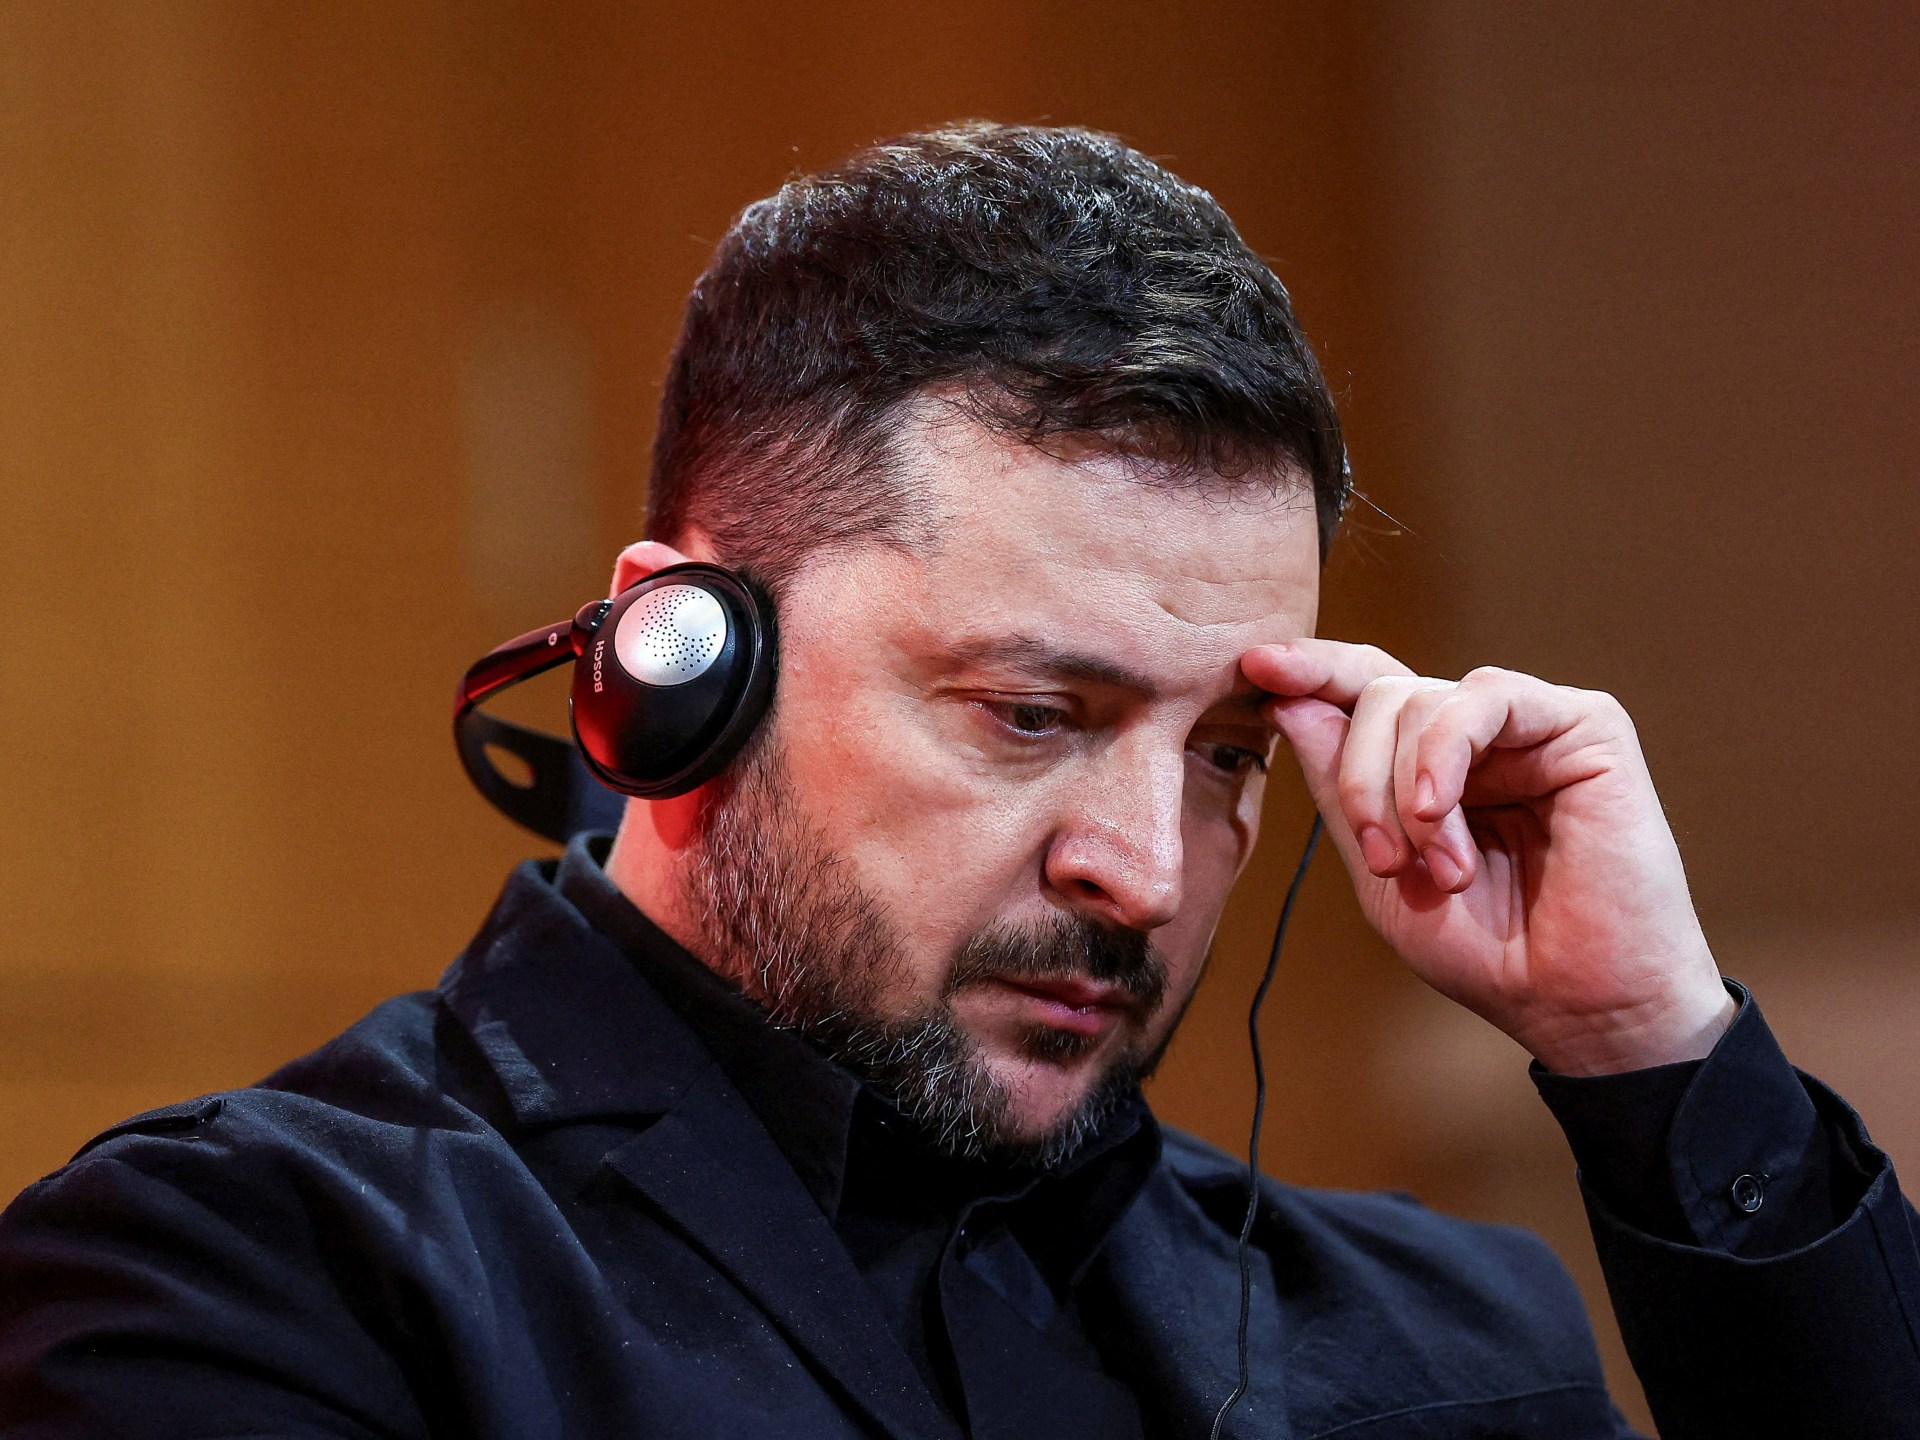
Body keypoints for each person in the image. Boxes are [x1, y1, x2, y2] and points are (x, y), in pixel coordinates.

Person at [0, 122, 1913, 1440]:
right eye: (1030, 714)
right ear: (680, 663)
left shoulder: (1449, 1336)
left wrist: (1649, 1044)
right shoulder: (248, 1276)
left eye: (1228, 754)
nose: (1145, 872)